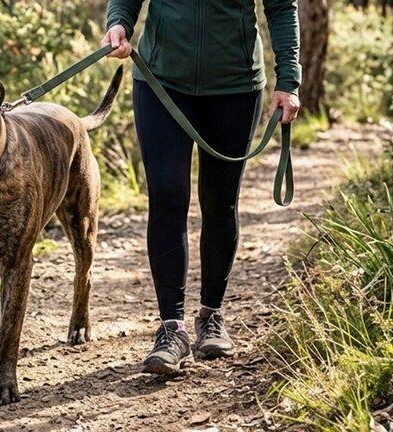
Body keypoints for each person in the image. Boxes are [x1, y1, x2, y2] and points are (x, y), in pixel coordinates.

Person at [101, 0, 301, 374]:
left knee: (220, 201)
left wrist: (288, 80)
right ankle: (171, 328)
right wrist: (118, 24)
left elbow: (280, 7)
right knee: (165, 197)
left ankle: (211, 315)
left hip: (235, 86)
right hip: (161, 81)